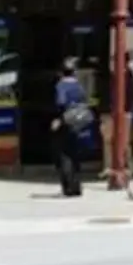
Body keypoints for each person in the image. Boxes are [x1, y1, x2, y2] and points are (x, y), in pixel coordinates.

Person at [49, 59, 94, 198]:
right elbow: (84, 101)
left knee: (64, 155)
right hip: (79, 123)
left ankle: (68, 187)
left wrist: (58, 119)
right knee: (75, 155)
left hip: (66, 122)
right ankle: (77, 186)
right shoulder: (78, 85)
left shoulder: (61, 86)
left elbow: (61, 103)